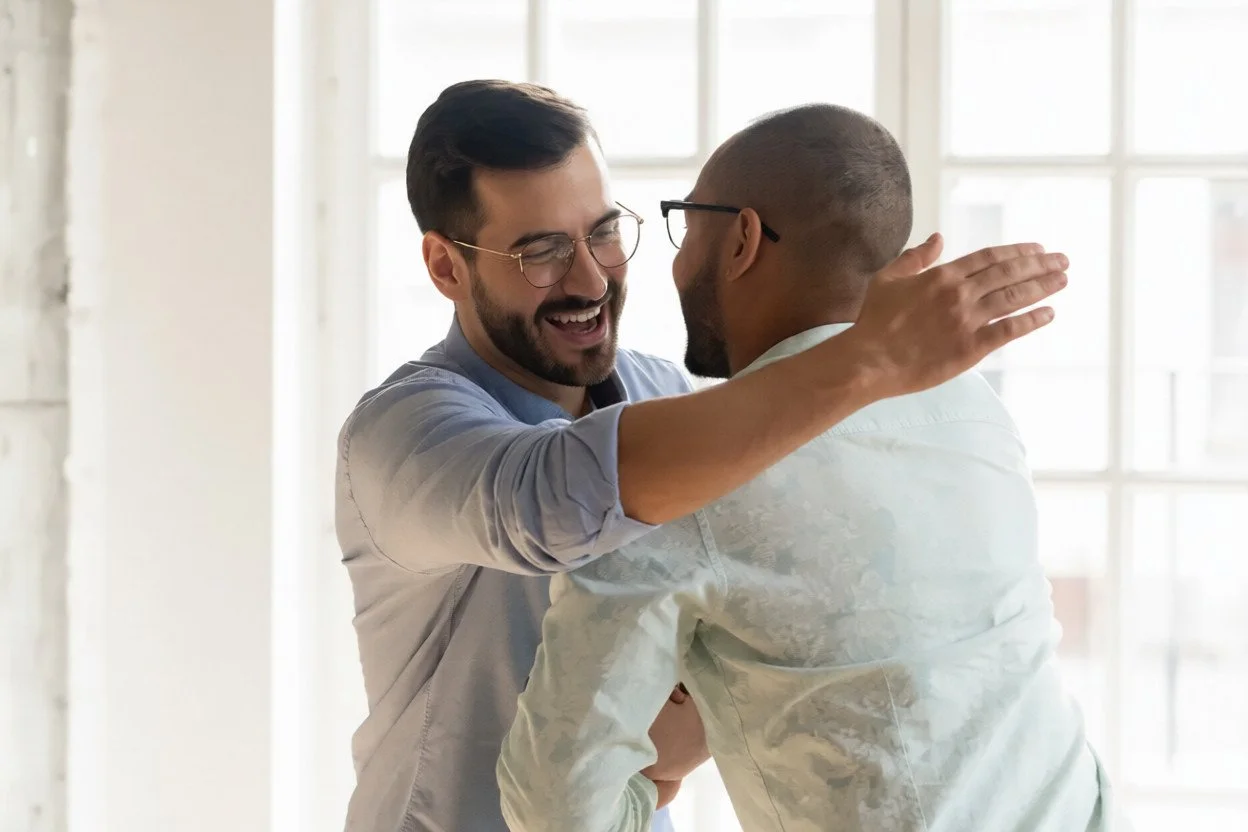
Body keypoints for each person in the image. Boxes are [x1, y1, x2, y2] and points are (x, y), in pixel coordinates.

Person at [336, 81, 1068, 832]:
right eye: (543, 252)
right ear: (446, 267)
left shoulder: (666, 394)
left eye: (603, 233)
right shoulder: (401, 435)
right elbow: (557, 499)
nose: (590, 279)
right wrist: (867, 359)